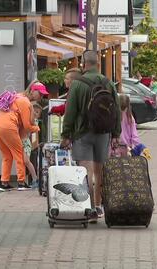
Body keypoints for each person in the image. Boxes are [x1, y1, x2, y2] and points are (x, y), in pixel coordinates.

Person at [60, 51, 121, 222]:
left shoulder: (77, 84)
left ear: (83, 64)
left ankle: (90, 208)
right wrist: (116, 133)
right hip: (104, 133)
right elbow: (116, 109)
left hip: (82, 133)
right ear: (98, 64)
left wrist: (66, 135)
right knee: (100, 171)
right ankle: (100, 205)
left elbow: (70, 112)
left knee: (85, 173)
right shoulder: (108, 83)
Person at [0, 87, 40, 192]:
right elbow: (27, 126)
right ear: (33, 92)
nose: (41, 97)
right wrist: (37, 128)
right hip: (8, 126)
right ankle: (21, 182)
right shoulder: (25, 102)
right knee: (19, 155)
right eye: (40, 94)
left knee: (7, 155)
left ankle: (4, 183)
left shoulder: (17, 96)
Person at [22, 102, 43, 188]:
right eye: (34, 111)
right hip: (21, 141)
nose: (35, 113)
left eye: (37, 113)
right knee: (23, 162)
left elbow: (34, 132)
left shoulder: (35, 121)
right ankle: (25, 180)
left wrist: (35, 144)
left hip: (26, 142)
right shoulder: (26, 117)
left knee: (26, 161)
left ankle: (35, 179)